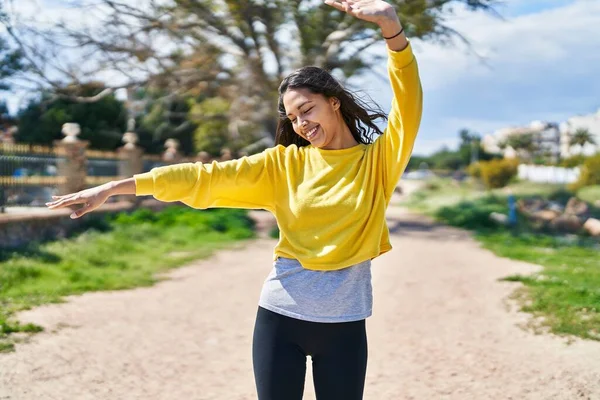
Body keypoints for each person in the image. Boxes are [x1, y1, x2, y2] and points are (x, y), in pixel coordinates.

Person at [46, 0, 422, 398]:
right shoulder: (284, 164)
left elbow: (408, 105)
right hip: (281, 316)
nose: (301, 124)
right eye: (293, 118)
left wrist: (391, 30)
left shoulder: (378, 161)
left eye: (307, 109)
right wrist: (112, 187)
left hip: (346, 322)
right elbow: (202, 178)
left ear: (334, 101)